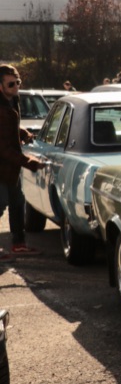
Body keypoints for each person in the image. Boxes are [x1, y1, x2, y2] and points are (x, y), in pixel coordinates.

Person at [0, 65, 43, 261]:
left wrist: (24, 133)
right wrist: (29, 162)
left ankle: (19, 244)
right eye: (11, 83)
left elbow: (11, 127)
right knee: (0, 204)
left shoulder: (12, 101)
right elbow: (3, 147)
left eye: (17, 82)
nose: (16, 86)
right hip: (3, 166)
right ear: (0, 86)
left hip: (11, 168)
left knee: (18, 203)